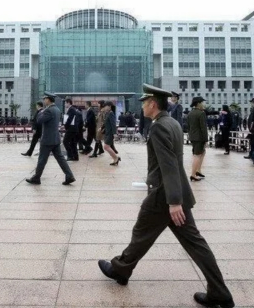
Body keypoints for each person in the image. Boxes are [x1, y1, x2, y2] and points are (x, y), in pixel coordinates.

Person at [98, 84, 234, 308]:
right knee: (194, 243)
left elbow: (168, 164)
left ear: (153, 104)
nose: (142, 107)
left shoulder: (159, 127)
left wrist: (174, 201)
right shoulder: (172, 123)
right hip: (175, 191)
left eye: (144, 103)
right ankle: (219, 292)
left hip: (163, 195)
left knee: (141, 233)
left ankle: (120, 269)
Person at [25, 92, 76, 186]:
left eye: (44, 99)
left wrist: (40, 112)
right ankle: (69, 176)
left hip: (47, 139)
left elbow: (39, 120)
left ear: (48, 100)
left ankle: (36, 178)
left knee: (42, 159)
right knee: (61, 159)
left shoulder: (48, 110)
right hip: (55, 138)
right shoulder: (57, 109)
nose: (44, 100)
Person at [186, 96, 208, 182]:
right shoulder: (201, 113)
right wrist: (206, 139)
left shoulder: (190, 113)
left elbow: (188, 126)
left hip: (193, 137)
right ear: (198, 103)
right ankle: (193, 174)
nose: (203, 104)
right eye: (202, 102)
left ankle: (198, 170)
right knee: (197, 155)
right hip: (199, 137)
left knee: (202, 152)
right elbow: (203, 128)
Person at [102, 101, 120, 165]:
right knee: (107, 147)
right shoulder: (107, 113)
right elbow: (105, 123)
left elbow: (113, 124)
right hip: (107, 133)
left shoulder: (111, 113)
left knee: (106, 147)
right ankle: (115, 158)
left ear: (109, 106)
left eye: (106, 106)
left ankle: (116, 158)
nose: (105, 108)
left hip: (110, 133)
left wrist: (114, 133)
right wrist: (101, 128)